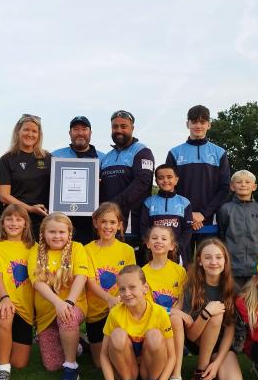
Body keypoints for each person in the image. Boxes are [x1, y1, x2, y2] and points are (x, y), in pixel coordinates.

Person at [28, 212, 93, 380]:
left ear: (69, 233)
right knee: (52, 365)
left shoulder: (77, 248)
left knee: (67, 317)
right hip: (47, 311)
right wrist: (58, 303)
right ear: (43, 233)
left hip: (74, 305)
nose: (57, 236)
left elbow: (81, 277)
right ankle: (78, 342)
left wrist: (69, 303)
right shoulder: (36, 251)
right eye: (52, 232)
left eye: (61, 232)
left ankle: (71, 367)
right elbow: (38, 283)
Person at [99, 265, 175, 380]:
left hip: (150, 371)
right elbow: (103, 354)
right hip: (127, 371)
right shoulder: (115, 313)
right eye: (122, 289)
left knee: (154, 335)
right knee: (117, 335)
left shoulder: (159, 313)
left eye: (132, 287)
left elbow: (172, 356)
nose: (127, 293)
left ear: (145, 288)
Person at [165, 105, 230, 260]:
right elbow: (169, 187)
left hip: (209, 223)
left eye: (202, 122)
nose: (198, 126)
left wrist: (203, 214)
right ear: (187, 124)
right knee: (181, 270)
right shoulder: (174, 153)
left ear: (209, 124)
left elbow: (224, 188)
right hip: (181, 223)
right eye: (194, 122)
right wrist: (189, 214)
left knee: (208, 268)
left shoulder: (219, 153)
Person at [181, 238, 242, 380]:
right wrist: (206, 313)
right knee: (216, 313)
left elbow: (230, 329)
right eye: (207, 257)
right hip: (197, 339)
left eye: (218, 257)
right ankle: (200, 372)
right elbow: (191, 336)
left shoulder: (232, 288)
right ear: (200, 261)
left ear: (225, 261)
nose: (213, 262)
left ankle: (211, 365)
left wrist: (217, 363)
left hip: (220, 344)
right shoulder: (191, 286)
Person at [0, 205, 36, 380]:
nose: (13, 223)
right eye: (9, 219)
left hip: (25, 308)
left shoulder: (35, 248)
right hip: (2, 299)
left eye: (18, 219)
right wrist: (5, 298)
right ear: (3, 223)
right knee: (5, 314)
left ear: (25, 224)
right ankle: (3, 370)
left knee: (20, 362)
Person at [84, 202, 136, 368]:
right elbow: (89, 281)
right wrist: (108, 299)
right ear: (96, 223)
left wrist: (117, 300)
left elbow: (130, 279)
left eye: (112, 222)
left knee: (121, 356)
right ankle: (84, 342)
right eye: (103, 221)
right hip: (95, 312)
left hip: (120, 309)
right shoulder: (87, 250)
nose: (107, 226)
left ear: (120, 225)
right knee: (100, 364)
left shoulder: (127, 250)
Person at [142, 226, 188, 380]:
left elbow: (181, 301)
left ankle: (176, 379)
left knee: (176, 319)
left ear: (172, 245)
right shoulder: (143, 272)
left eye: (163, 238)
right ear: (147, 244)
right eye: (154, 238)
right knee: (175, 317)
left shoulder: (179, 271)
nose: (158, 241)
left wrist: (175, 312)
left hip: (173, 322)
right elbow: (147, 305)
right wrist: (174, 312)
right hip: (152, 321)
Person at [100, 110, 154, 255]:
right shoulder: (106, 157)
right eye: (115, 127)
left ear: (132, 128)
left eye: (123, 126)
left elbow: (143, 182)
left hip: (131, 224)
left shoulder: (142, 151)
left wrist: (113, 204)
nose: (119, 130)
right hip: (108, 224)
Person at [0, 114, 51, 239]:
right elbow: (4, 196)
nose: (30, 134)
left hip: (43, 220)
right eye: (26, 129)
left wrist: (88, 184)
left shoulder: (48, 158)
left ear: (39, 135)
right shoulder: (7, 159)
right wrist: (30, 209)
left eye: (34, 131)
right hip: (16, 221)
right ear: (18, 131)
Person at [52, 116, 106, 244]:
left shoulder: (103, 158)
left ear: (90, 133)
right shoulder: (55, 156)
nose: (80, 133)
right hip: (62, 219)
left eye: (84, 129)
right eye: (76, 129)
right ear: (70, 133)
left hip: (91, 220)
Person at [218, 170, 258, 286]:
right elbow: (222, 234)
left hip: (255, 265)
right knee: (234, 297)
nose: (243, 184)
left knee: (254, 298)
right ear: (232, 186)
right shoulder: (225, 209)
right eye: (239, 182)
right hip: (233, 265)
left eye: (247, 182)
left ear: (254, 187)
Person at [140, 164, 192, 266]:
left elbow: (188, 229)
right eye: (161, 178)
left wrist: (177, 247)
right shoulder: (148, 202)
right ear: (156, 181)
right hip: (155, 252)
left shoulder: (184, 202)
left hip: (177, 252)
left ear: (176, 180)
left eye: (169, 177)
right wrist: (152, 245)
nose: (165, 180)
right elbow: (144, 227)